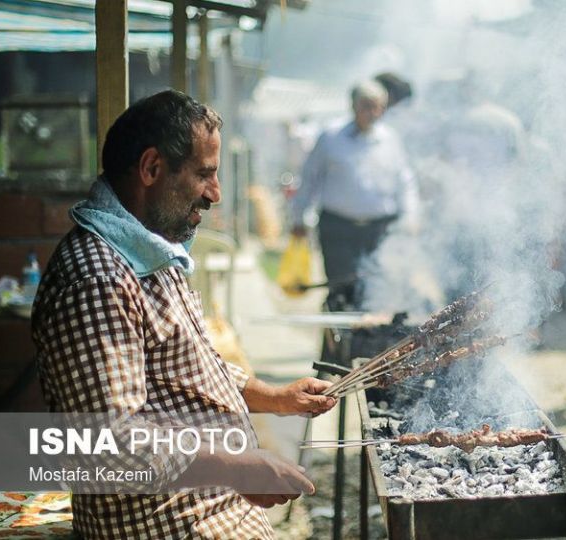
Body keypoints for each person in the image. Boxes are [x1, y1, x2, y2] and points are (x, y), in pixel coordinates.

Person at [31, 90, 337, 538]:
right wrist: (236, 468)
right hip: (166, 526)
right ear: (152, 168)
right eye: (204, 174)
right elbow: (110, 446)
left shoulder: (149, 250)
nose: (215, 193)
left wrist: (273, 398)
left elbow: (188, 365)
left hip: (215, 513)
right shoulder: (98, 280)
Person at [290, 80, 419, 307]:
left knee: (377, 291)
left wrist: (410, 215)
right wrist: (299, 217)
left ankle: (372, 342)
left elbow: (405, 181)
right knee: (341, 292)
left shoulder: (390, 139)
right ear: (353, 106)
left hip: (379, 229)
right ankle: (337, 341)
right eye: (366, 106)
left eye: (377, 106)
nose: (372, 112)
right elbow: (310, 178)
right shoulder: (330, 137)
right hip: (338, 229)